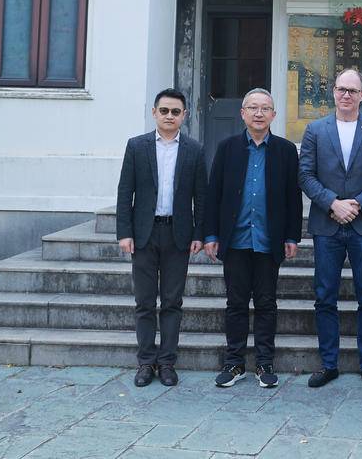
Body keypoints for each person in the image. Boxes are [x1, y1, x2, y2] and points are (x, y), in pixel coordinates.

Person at [298, 68, 362, 389]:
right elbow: (305, 175)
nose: (346, 95)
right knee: (325, 296)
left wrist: (357, 204)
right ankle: (329, 364)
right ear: (333, 91)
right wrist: (332, 203)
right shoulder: (316, 130)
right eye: (341, 89)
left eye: (353, 90)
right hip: (326, 225)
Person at [203, 88, 302, 389]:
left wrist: (292, 236)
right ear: (242, 113)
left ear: (274, 114)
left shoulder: (285, 150)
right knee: (235, 303)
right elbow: (213, 193)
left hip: (268, 240)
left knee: (266, 303)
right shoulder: (227, 148)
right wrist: (211, 234)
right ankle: (234, 362)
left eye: (265, 108)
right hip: (235, 240)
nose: (259, 113)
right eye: (253, 108)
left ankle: (264, 363)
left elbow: (293, 197)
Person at [116, 88, 207, 387]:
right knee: (144, 302)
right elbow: (125, 191)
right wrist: (124, 232)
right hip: (144, 233)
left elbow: (201, 197)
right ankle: (145, 362)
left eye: (175, 112)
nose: (169, 116)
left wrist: (199, 233)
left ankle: (167, 363)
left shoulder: (194, 150)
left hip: (178, 235)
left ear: (184, 115)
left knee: (172, 302)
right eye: (164, 111)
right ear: (154, 113)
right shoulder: (136, 146)